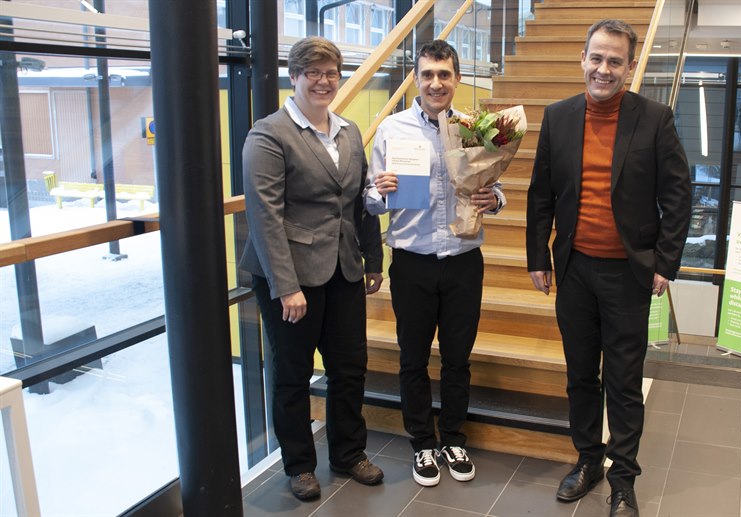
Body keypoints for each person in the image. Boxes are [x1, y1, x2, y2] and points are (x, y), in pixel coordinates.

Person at [525, 20, 691, 517]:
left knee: (623, 380)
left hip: (628, 274)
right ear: (582, 58)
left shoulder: (655, 119)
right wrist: (538, 256)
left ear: (630, 66)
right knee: (580, 375)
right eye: (596, 58)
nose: (604, 69)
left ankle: (623, 479)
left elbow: (678, 196)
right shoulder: (558, 117)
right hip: (574, 269)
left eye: (615, 61)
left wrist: (665, 261)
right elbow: (540, 194)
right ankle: (587, 461)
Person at [240, 36, 385, 501]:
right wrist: (286, 287)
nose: (324, 81)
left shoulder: (348, 131)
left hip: (343, 270)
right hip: (292, 277)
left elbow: (358, 203)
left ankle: (348, 454)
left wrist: (373, 258)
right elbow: (265, 217)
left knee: (350, 368)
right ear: (295, 77)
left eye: (331, 73)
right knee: (293, 373)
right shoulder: (268, 135)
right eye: (314, 73)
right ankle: (300, 465)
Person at [364, 39, 505, 488]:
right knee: (413, 359)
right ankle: (423, 443)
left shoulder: (474, 128)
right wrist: (379, 191)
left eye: (444, 74)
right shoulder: (393, 129)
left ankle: (454, 439)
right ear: (416, 79)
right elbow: (370, 201)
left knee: (458, 359)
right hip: (412, 262)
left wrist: (494, 199)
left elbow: (494, 185)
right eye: (427, 74)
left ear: (457, 78)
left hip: (464, 261)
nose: (436, 83)